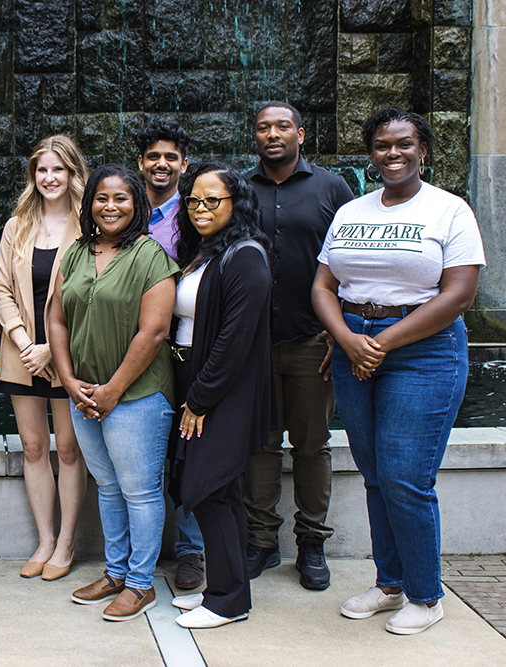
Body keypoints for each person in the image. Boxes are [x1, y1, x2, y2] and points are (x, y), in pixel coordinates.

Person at [311, 106, 485, 635]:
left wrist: (380, 343)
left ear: (423, 151)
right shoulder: (352, 211)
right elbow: (323, 286)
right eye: (383, 145)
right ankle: (390, 584)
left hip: (423, 350)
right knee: (375, 475)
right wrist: (347, 339)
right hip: (355, 345)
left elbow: (459, 294)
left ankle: (426, 595)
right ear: (371, 155)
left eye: (404, 144)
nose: (394, 153)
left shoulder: (450, 210)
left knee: (406, 476)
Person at [50, 164, 177, 621]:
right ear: (90, 206)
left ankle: (142, 584)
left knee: (140, 491)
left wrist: (112, 390)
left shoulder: (152, 256)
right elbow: (57, 319)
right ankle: (116, 572)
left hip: (137, 395)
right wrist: (67, 380)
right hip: (82, 393)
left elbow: (155, 331)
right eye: (102, 199)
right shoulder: (77, 253)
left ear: (136, 203)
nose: (110, 207)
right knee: (107, 487)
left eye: (120, 199)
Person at [243, 101, 355, 589]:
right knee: (261, 445)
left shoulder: (332, 187)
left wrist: (342, 329)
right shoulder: (239, 187)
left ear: (301, 134)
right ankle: (262, 542)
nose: (273, 134)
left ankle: (311, 542)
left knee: (311, 445)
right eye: (264, 127)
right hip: (253, 342)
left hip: (314, 339)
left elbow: (353, 262)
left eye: (282, 126)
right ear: (255, 136)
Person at [168, 162, 274, 629]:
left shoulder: (246, 255)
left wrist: (200, 398)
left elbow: (235, 339)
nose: (200, 208)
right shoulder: (208, 252)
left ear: (237, 203)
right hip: (197, 381)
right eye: (193, 200)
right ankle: (226, 592)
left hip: (220, 389)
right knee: (220, 494)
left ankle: (228, 601)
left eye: (213, 200)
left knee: (209, 489)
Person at [0, 135, 89, 581]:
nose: (49, 178)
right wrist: (22, 341)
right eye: (42, 170)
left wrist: (52, 345)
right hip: (21, 355)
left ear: (72, 173)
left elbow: (90, 293)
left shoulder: (90, 224)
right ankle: (45, 539)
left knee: (69, 449)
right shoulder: (18, 225)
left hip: (67, 353)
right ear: (33, 176)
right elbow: (2, 289)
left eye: (58, 169)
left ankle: (67, 542)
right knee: (34, 448)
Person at [134, 116, 206, 591]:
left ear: (184, 163)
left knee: (190, 449)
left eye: (171, 157)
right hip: (134, 349)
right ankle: (138, 550)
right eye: (153, 157)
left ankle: (192, 550)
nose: (162, 165)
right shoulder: (123, 208)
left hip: (183, 350)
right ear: (140, 163)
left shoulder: (196, 215)